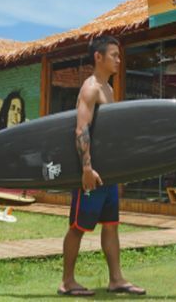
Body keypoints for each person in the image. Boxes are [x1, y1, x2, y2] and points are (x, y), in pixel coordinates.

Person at [58, 36, 146, 297]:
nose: (119, 60)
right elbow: (81, 129)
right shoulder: (91, 88)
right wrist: (86, 168)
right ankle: (67, 281)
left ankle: (116, 279)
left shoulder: (108, 88)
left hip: (107, 175)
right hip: (91, 174)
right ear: (98, 57)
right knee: (78, 227)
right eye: (114, 55)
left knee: (111, 224)